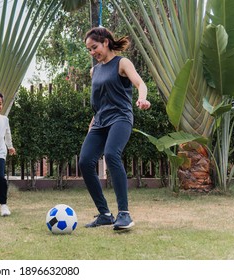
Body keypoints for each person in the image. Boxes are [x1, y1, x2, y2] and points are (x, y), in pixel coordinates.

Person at [79, 27, 151, 230]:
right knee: (85, 161)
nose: (92, 53)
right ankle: (104, 214)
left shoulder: (122, 63)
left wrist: (142, 98)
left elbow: (140, 83)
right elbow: (100, 100)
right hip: (100, 121)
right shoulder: (95, 70)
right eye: (89, 50)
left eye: (94, 47)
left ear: (106, 42)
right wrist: (93, 122)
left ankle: (124, 214)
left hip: (120, 118)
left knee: (111, 154)